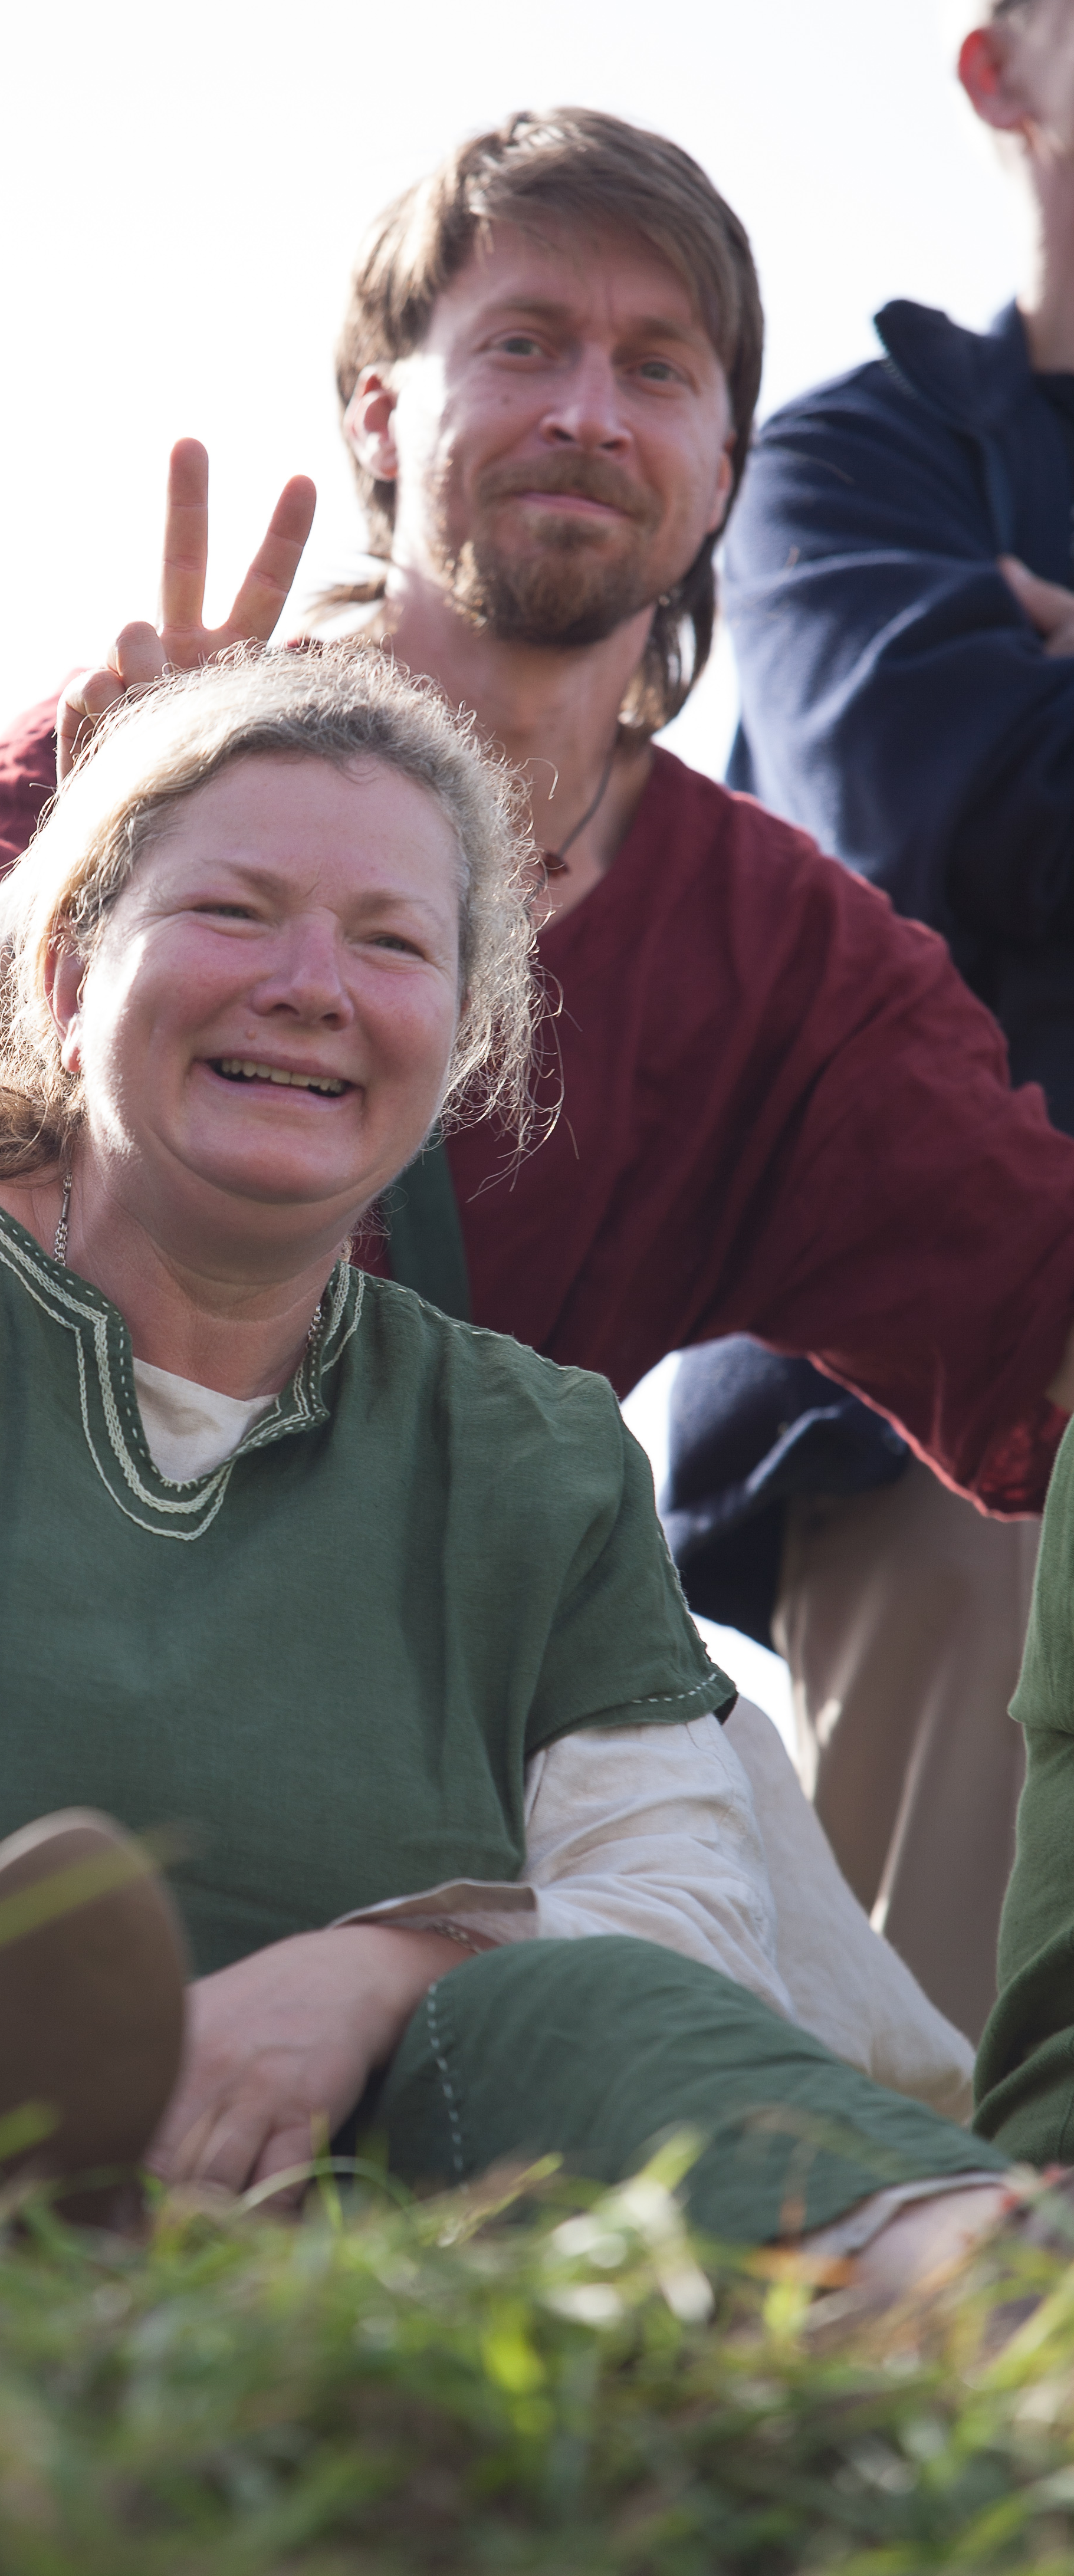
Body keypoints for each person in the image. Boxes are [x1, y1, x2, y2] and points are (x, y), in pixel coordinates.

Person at [0, 650, 1010, 2280]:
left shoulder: (536, 1453)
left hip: (369, 2223)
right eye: (233, 913)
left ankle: (984, 2289)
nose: (311, 985)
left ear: (462, 1039)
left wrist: (383, 1974)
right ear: (69, 972)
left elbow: (686, 1918)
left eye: (391, 942)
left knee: (576, 2006)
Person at [0, 110, 1074, 2044]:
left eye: (659, 368)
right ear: (383, 415)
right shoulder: (140, 742)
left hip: (452, 1710)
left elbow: (1036, 1318)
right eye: (524, 343)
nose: (588, 410)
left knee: (897, 2101)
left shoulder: (783, 961)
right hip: (2, 1641)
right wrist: (99, 839)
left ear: (724, 469)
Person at [669, 0, 1074, 2043]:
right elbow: (974, 819)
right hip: (961, 1434)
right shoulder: (852, 458)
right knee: (940, 2108)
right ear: (1006, 73)